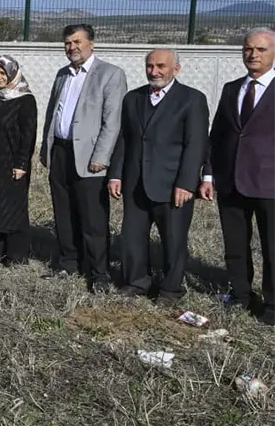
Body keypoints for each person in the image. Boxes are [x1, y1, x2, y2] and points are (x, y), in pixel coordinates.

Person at [109, 50, 208, 304]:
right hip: (136, 182)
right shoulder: (133, 98)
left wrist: (187, 182)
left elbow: (196, 144)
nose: (154, 71)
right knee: (132, 236)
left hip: (172, 184)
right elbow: (125, 140)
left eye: (161, 66)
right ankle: (137, 281)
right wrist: (116, 174)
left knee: (173, 238)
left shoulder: (192, 99)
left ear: (176, 69)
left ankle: (170, 289)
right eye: (150, 66)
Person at [41, 24, 127, 291]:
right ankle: (69, 262)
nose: (72, 47)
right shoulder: (62, 75)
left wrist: (101, 156)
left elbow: (112, 121)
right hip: (62, 152)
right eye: (68, 43)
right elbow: (53, 113)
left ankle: (99, 272)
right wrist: (47, 149)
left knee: (93, 218)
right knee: (64, 213)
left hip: (91, 158)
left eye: (77, 42)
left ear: (92, 44)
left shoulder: (110, 74)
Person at [202, 27, 275, 322]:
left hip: (269, 183)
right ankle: (241, 293)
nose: (252, 55)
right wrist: (209, 175)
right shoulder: (232, 88)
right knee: (235, 243)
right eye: (248, 49)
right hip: (231, 180)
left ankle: (272, 304)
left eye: (260, 49)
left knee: (272, 246)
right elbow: (217, 134)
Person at [0, 55, 37, 265]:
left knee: (13, 206)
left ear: (12, 73)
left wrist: (22, 163)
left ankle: (16, 255)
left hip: (13, 162)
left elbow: (29, 134)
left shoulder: (25, 99)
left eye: (2, 73)